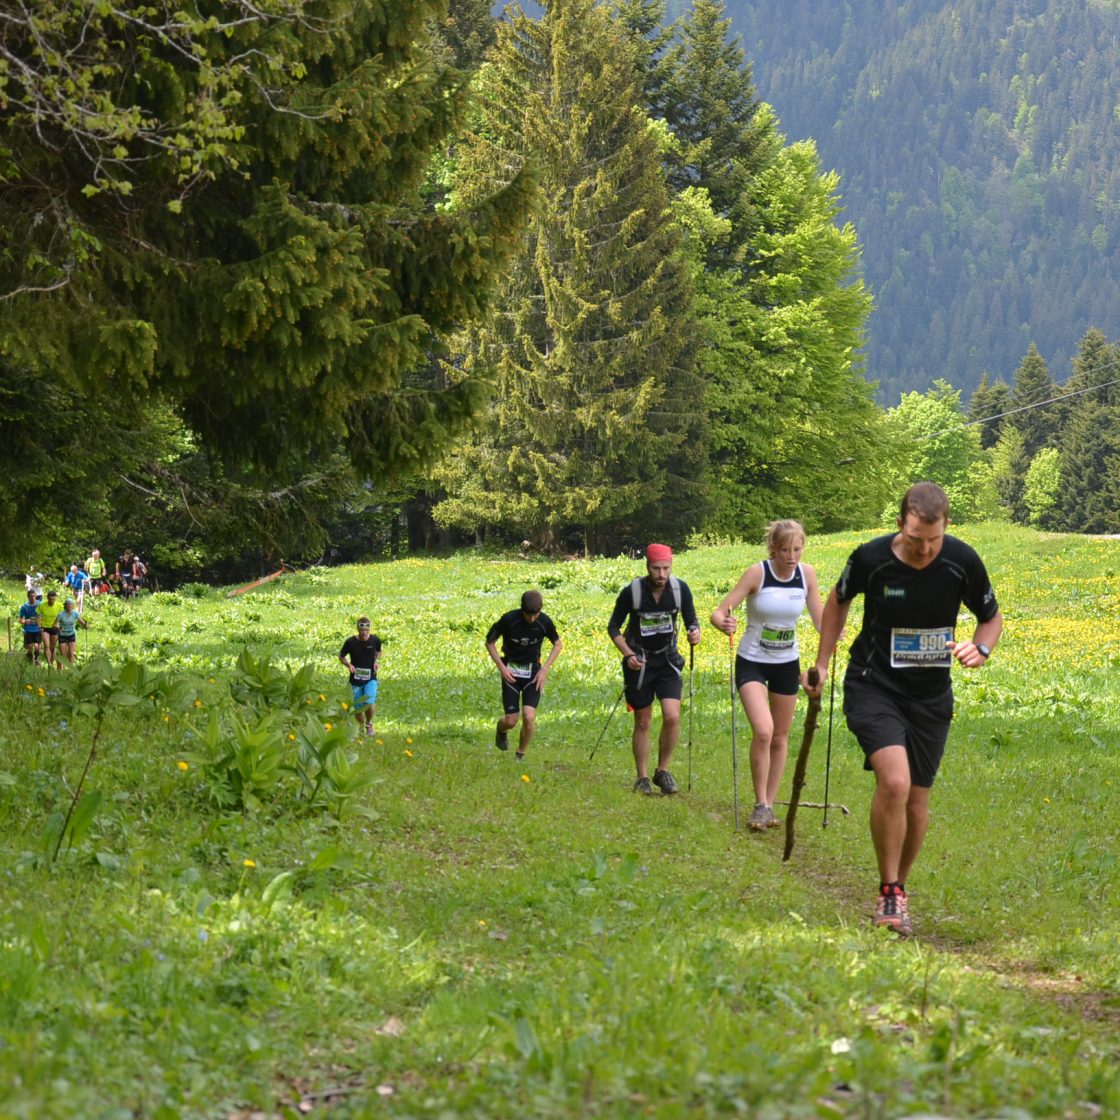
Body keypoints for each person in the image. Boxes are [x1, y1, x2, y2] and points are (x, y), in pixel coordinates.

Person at [803, 482, 1002, 937]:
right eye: (915, 540)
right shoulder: (870, 559)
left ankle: (899, 889)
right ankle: (889, 890)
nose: (925, 550)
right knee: (895, 781)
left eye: (933, 540)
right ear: (900, 525)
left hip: (931, 696)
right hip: (874, 684)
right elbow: (837, 601)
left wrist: (982, 649)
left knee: (917, 801)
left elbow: (991, 616)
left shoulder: (961, 560)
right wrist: (822, 662)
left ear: (945, 528)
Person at [710, 520, 823, 831]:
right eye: (785, 549)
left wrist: (834, 634)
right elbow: (720, 612)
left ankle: (769, 805)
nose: (791, 556)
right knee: (763, 730)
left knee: (780, 736)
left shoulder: (806, 575)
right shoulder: (758, 573)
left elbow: (820, 619)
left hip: (787, 663)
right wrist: (724, 623)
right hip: (752, 661)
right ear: (773, 548)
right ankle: (759, 803)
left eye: (797, 549)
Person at [607, 543, 702, 795]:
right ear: (647, 567)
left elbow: (691, 620)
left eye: (665, 568)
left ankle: (662, 771)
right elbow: (613, 627)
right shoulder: (633, 592)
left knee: (672, 715)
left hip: (668, 661)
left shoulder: (680, 589)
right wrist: (628, 654)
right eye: (656, 568)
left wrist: (695, 632)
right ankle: (642, 777)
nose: (661, 574)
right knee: (643, 721)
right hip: (640, 662)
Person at [485, 589, 563, 760]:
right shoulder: (509, 619)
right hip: (510, 672)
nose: (532, 619)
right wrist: (502, 668)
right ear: (522, 610)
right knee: (511, 721)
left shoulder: (544, 622)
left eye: (535, 615)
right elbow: (489, 642)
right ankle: (500, 730)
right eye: (528, 615)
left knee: (529, 716)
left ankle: (520, 754)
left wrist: (544, 670)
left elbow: (558, 645)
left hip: (533, 673)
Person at [338, 616, 382, 737]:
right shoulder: (351, 642)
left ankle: (369, 724)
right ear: (358, 629)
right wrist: (349, 665)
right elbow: (341, 656)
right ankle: (362, 726)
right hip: (355, 680)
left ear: (369, 629)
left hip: (370, 678)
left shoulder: (375, 640)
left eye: (366, 630)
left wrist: (376, 662)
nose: (364, 633)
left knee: (369, 701)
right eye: (361, 630)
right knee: (358, 708)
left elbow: (379, 651)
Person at [56, 598, 88, 668]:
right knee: (63, 655)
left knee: (71, 653)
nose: (69, 606)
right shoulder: (61, 614)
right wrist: (58, 627)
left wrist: (85, 625)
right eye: (68, 604)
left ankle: (71, 670)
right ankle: (62, 669)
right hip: (62, 635)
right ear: (65, 605)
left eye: (71, 604)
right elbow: (55, 624)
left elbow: (82, 622)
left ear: (73, 606)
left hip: (71, 635)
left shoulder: (75, 613)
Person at [38, 589, 64, 670]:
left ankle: (51, 664)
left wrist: (61, 626)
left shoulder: (59, 606)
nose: (52, 601)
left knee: (53, 648)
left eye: (53, 599)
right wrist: (39, 625)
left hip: (54, 628)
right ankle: (49, 663)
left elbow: (63, 617)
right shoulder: (42, 605)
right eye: (50, 599)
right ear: (47, 598)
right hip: (44, 628)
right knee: (46, 645)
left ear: (55, 598)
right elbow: (38, 617)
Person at [18, 588, 42, 665]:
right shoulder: (25, 607)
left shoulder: (40, 604)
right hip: (28, 629)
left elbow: (45, 614)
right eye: (31, 596)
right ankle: (29, 662)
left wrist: (41, 620)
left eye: (34, 596)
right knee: (30, 648)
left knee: (37, 647)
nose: (33, 598)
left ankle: (37, 660)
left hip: (38, 629)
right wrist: (25, 621)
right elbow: (20, 619)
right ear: (28, 597)